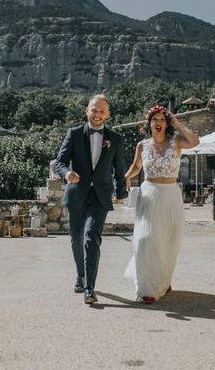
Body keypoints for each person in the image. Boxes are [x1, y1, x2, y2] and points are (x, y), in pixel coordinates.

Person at [55, 94, 127, 304]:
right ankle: (80, 276)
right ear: (87, 111)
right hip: (77, 194)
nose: (97, 114)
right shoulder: (74, 134)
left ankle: (89, 288)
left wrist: (121, 192)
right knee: (76, 238)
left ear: (108, 115)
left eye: (102, 111)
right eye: (94, 110)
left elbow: (119, 168)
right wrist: (67, 174)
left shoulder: (115, 139)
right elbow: (59, 162)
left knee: (91, 237)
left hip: (100, 197)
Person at [123, 104, 199, 304]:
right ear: (149, 123)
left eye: (162, 119)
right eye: (154, 119)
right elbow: (137, 166)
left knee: (167, 242)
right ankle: (147, 288)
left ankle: (163, 281)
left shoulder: (177, 142)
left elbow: (195, 140)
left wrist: (178, 122)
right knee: (147, 240)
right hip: (149, 195)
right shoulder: (142, 145)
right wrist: (127, 177)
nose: (158, 123)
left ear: (167, 124)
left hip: (171, 195)